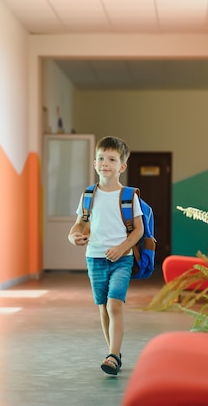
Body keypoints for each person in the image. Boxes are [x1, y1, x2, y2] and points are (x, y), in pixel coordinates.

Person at [68, 136, 144, 375]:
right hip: (95, 258)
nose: (105, 163)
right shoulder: (89, 195)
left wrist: (123, 248)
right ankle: (115, 352)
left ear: (122, 166)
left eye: (111, 159)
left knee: (115, 305)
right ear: (94, 163)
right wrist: (73, 236)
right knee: (103, 307)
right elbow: (79, 223)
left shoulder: (129, 196)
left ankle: (112, 355)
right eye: (101, 158)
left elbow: (139, 229)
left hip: (122, 259)